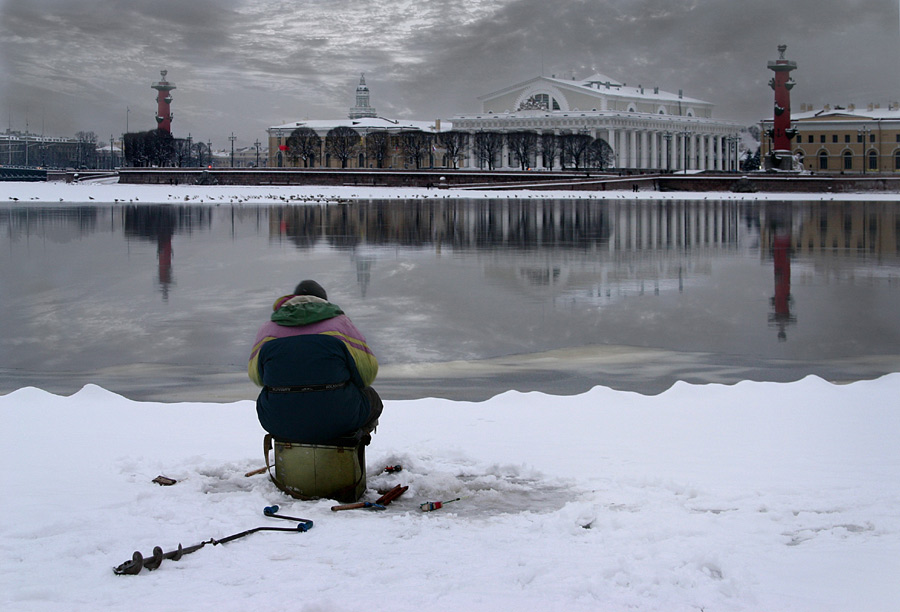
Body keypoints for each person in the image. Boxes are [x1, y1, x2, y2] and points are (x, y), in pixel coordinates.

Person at [248, 280, 382, 443]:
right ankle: (349, 442)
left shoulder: (267, 329)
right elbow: (366, 374)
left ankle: (295, 451)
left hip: (277, 420)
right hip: (339, 417)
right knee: (372, 399)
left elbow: (257, 377)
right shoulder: (341, 324)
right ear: (324, 301)